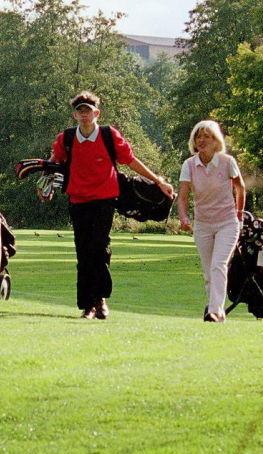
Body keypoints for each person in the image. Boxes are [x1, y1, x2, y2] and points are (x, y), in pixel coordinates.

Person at [50, 91, 173, 320]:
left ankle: (99, 300)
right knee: (83, 251)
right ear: (74, 115)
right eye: (80, 111)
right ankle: (87, 305)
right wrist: (44, 184)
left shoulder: (109, 135)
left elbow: (130, 160)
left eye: (88, 111)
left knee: (99, 248)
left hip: (105, 200)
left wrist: (158, 181)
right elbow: (54, 162)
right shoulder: (65, 139)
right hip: (78, 200)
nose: (84, 115)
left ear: (97, 113)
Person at [177, 119, 246, 322]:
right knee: (208, 272)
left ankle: (215, 311)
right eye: (199, 136)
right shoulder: (189, 165)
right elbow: (182, 196)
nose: (202, 140)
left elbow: (240, 188)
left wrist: (239, 214)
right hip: (203, 224)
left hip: (227, 222)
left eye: (207, 136)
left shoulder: (227, 162)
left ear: (216, 141)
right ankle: (217, 313)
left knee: (218, 265)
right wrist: (183, 217)